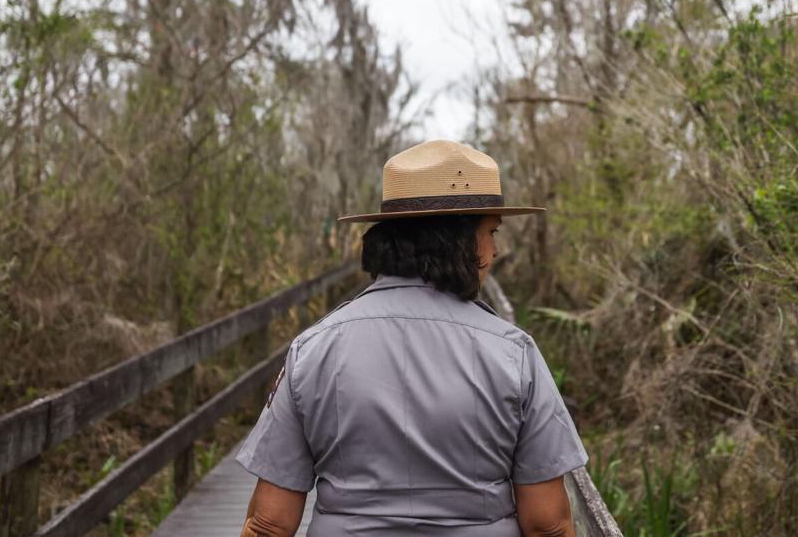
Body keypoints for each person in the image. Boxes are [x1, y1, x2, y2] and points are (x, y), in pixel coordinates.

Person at [236, 140, 587, 536]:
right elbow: (547, 525)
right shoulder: (514, 353)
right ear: (461, 241)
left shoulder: (313, 349)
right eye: (490, 231)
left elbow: (269, 523)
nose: (496, 249)